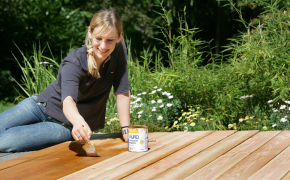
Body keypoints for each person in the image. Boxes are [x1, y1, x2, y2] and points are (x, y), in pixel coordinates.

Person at [0, 9, 155, 153]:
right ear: (90, 32)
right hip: (39, 105)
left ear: (119, 37)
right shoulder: (74, 61)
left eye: (110, 39)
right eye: (99, 38)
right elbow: (68, 100)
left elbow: (122, 90)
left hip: (64, 126)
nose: (103, 45)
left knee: (4, 141)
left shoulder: (118, 50)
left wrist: (127, 132)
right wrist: (78, 119)